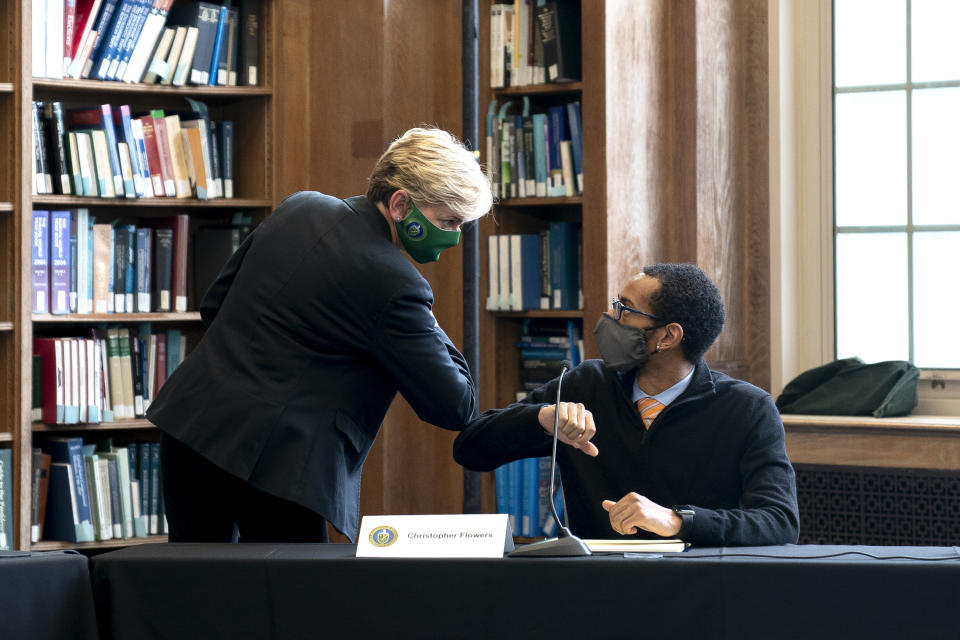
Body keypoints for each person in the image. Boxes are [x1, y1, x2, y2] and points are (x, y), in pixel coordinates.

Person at [147, 127, 493, 543]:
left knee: (195, 594)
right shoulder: (398, 285)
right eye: (449, 221)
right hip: (277, 466)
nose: (454, 237)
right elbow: (456, 405)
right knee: (289, 604)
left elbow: (214, 305)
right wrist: (430, 318)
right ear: (400, 203)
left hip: (192, 428)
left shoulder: (301, 207)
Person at [454, 263, 800, 546]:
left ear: (668, 336)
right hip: (597, 589)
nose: (608, 315)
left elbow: (778, 521)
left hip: (700, 590)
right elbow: (470, 449)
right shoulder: (586, 383)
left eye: (623, 309)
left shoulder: (747, 409)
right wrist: (542, 418)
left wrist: (677, 520)